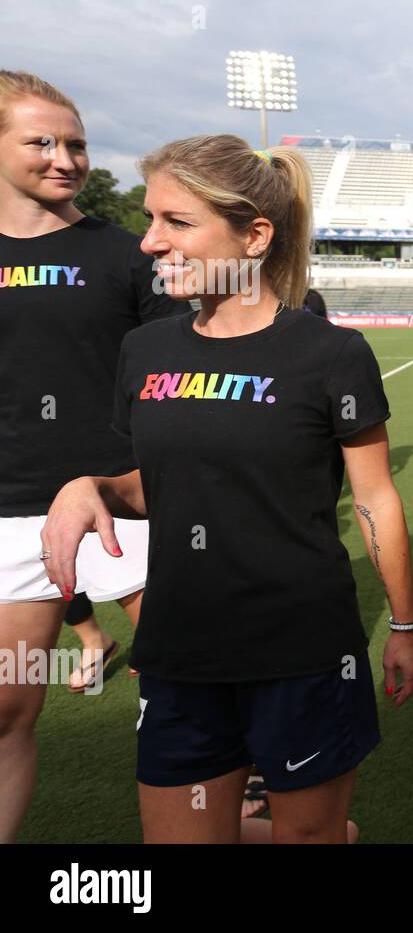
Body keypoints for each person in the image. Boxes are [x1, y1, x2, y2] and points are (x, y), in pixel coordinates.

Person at [41, 133, 413, 843]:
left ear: (254, 236)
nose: (150, 243)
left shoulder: (330, 354)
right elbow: (160, 486)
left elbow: (376, 498)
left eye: (176, 222)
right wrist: (91, 486)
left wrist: (403, 625)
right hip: (180, 651)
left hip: (303, 653)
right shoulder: (144, 350)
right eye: (150, 220)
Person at [0, 70, 185, 841]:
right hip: (11, 513)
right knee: (7, 709)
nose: (63, 157)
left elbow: (179, 387)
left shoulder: (128, 255)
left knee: (191, 704)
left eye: (74, 142)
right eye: (40, 140)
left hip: (129, 506)